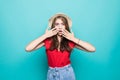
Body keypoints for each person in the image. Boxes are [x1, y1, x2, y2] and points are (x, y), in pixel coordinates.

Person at [25, 13, 96, 80]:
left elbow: (92, 49)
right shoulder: (47, 41)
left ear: (66, 26)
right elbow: (28, 48)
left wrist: (73, 38)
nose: (60, 27)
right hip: (51, 73)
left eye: (62, 24)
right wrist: (45, 35)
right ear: (53, 26)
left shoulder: (70, 41)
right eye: (57, 24)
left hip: (67, 73)